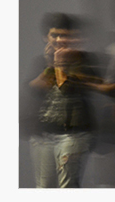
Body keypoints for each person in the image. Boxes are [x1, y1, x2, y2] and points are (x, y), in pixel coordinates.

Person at [27, 13, 103, 188]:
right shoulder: (42, 61)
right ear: (46, 37)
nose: (60, 40)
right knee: (44, 187)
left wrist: (58, 63)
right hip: (44, 134)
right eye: (54, 35)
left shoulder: (84, 59)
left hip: (73, 133)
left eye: (64, 35)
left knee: (67, 187)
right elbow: (34, 88)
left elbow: (67, 88)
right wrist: (49, 64)